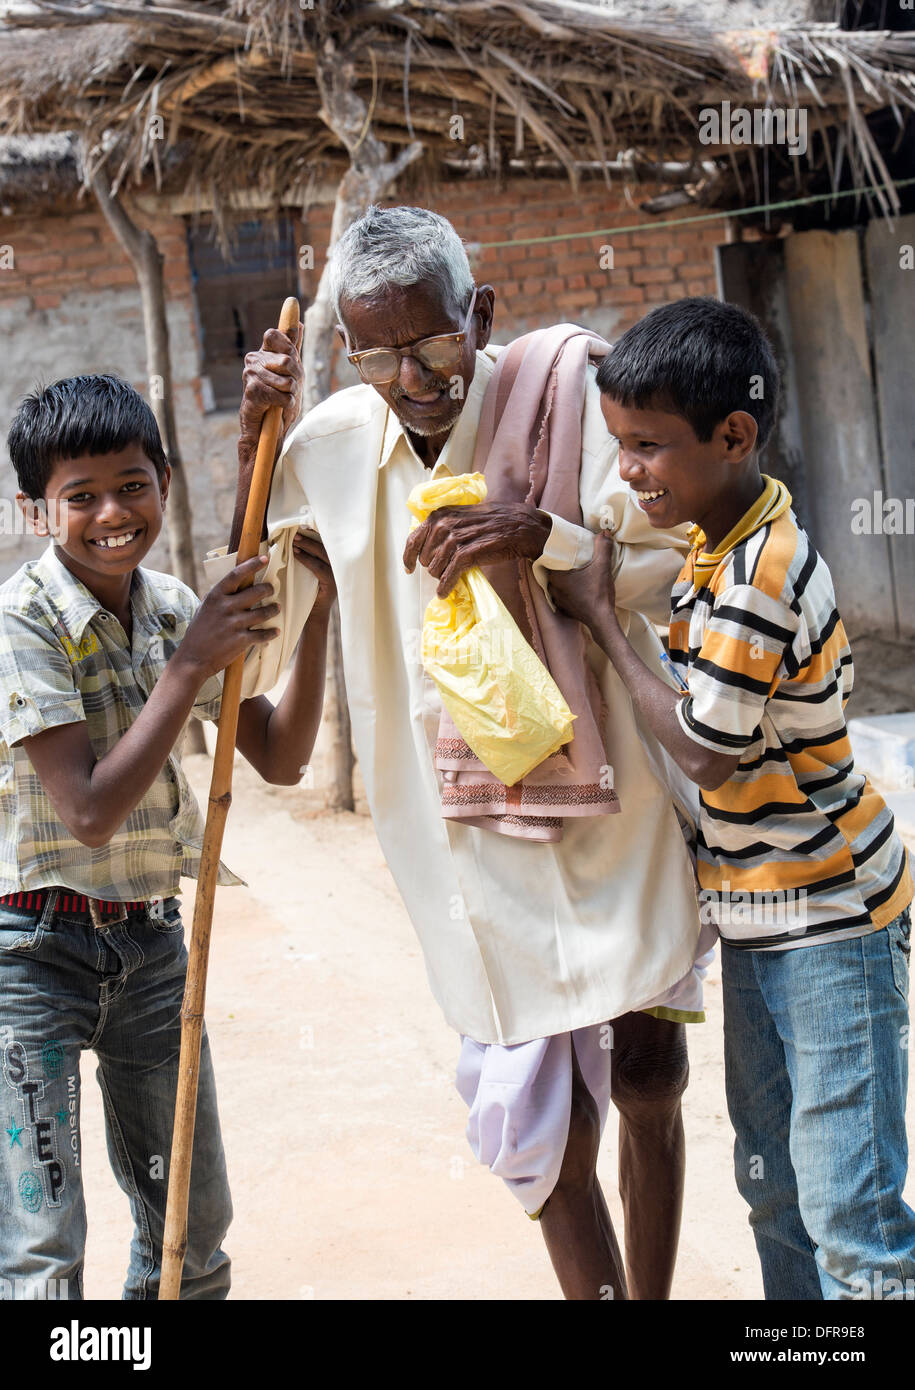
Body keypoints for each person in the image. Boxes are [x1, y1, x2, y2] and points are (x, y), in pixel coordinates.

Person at [222, 204, 713, 1300]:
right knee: (546, 1122)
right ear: (348, 353)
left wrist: (548, 537)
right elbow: (257, 607)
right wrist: (244, 450)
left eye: (436, 343)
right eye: (380, 353)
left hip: (612, 794)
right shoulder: (330, 447)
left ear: (478, 314)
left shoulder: (572, 390)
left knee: (646, 1071)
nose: (416, 377)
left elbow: (672, 547)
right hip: (462, 836)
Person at [547, 296, 915, 1301]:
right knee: (777, 1190)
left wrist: (604, 624)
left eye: (650, 447)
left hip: (830, 918)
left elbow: (707, 750)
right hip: (763, 915)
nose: (628, 470)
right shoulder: (715, 544)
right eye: (621, 443)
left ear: (735, 435)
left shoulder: (764, 568)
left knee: (852, 1218)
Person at [0, 374, 333, 1300]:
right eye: (82, 496)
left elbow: (278, 756)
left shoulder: (176, 605)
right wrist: (189, 667)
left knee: (190, 1222)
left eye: (133, 484)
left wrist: (315, 622)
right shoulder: (23, 621)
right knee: (41, 1240)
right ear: (37, 511)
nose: (113, 512)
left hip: (150, 948)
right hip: (31, 953)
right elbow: (92, 812)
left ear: (164, 483)